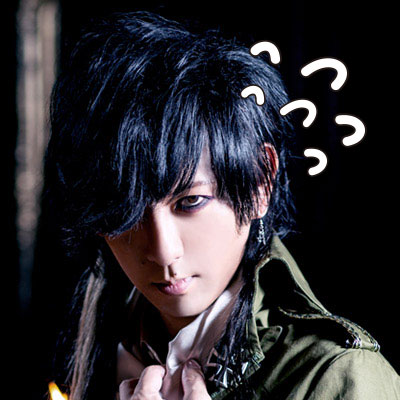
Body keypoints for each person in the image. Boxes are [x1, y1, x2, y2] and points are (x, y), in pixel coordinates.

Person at [46, 11, 400, 400]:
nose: (163, 251)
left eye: (191, 202)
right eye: (124, 212)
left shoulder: (338, 376)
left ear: (261, 181)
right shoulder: (80, 344)